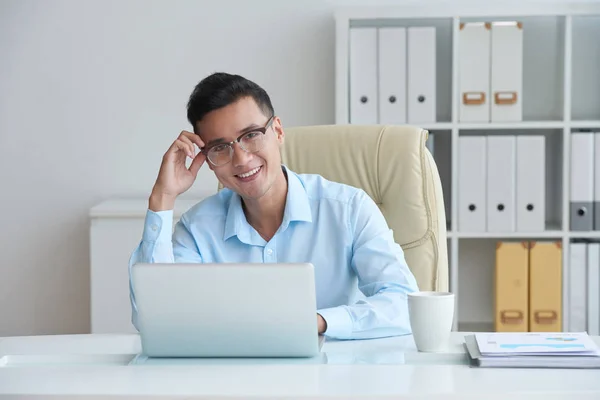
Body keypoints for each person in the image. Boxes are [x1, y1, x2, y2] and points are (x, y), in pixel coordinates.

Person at [128, 72, 419, 340]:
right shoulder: (197, 229)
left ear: (277, 131)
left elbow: (404, 304)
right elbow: (154, 318)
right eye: (220, 147)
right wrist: (162, 197)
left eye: (251, 135)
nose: (241, 159)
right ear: (206, 159)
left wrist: (316, 322)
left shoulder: (349, 209)